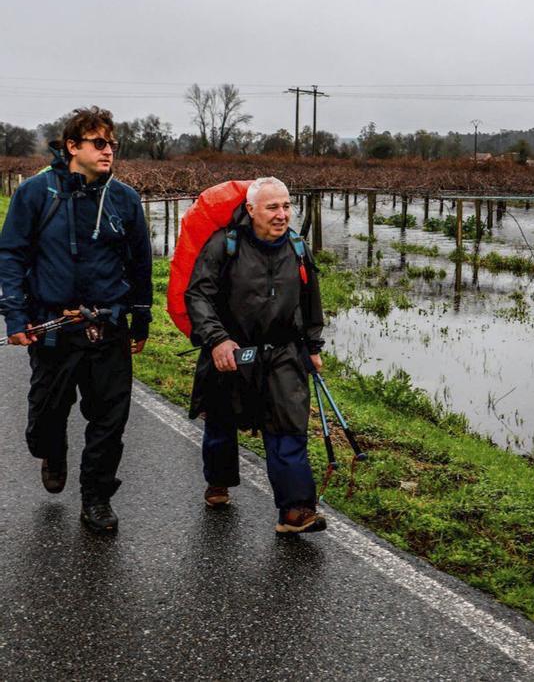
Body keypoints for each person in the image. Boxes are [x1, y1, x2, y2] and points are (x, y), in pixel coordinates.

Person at [0, 106, 153, 533]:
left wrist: (141, 318)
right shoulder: (36, 193)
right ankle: (52, 449)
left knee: (110, 419)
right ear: (72, 146)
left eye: (112, 144)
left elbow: (141, 263)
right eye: (99, 143)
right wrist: (15, 316)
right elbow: (11, 254)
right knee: (45, 419)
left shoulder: (124, 199)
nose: (109, 152)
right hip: (52, 327)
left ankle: (97, 497)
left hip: (107, 326)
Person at [185, 176, 328, 534]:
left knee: (289, 427)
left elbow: (311, 301)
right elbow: (198, 295)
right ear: (251, 210)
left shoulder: (297, 247)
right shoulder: (224, 245)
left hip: (283, 352)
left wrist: (312, 347)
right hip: (232, 350)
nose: (282, 215)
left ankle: (295, 510)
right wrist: (217, 340)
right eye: (272, 207)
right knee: (221, 422)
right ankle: (218, 481)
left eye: (286, 206)